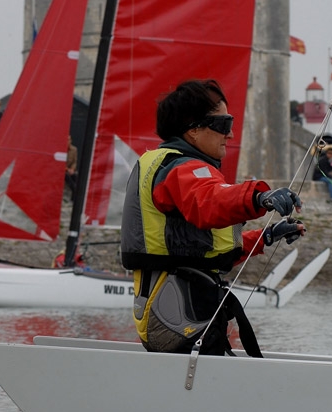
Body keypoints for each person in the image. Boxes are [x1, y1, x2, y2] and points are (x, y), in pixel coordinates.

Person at [120, 78, 305, 356]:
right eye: (223, 125)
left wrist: (265, 237)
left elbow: (204, 247)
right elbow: (210, 203)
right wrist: (260, 198)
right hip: (180, 320)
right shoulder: (182, 170)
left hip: (180, 317)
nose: (229, 135)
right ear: (193, 130)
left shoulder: (178, 167)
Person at [64, 134, 78, 200]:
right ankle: (73, 188)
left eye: (69, 140)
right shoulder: (61, 149)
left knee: (76, 176)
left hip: (70, 170)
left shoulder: (74, 149)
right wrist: (67, 169)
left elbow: (74, 161)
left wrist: (72, 169)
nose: (67, 141)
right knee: (68, 178)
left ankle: (74, 198)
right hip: (63, 171)